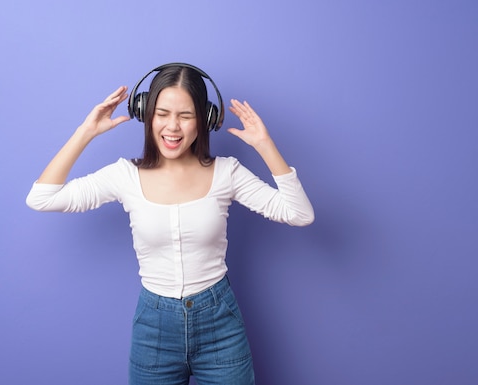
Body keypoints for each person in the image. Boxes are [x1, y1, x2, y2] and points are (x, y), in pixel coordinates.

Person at [25, 63, 314, 385]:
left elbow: (299, 213)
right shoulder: (125, 176)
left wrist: (264, 145)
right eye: (162, 113)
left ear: (206, 119)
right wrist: (85, 132)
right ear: (144, 113)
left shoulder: (227, 173)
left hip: (221, 326)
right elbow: (42, 198)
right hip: (155, 330)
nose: (172, 127)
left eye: (185, 116)